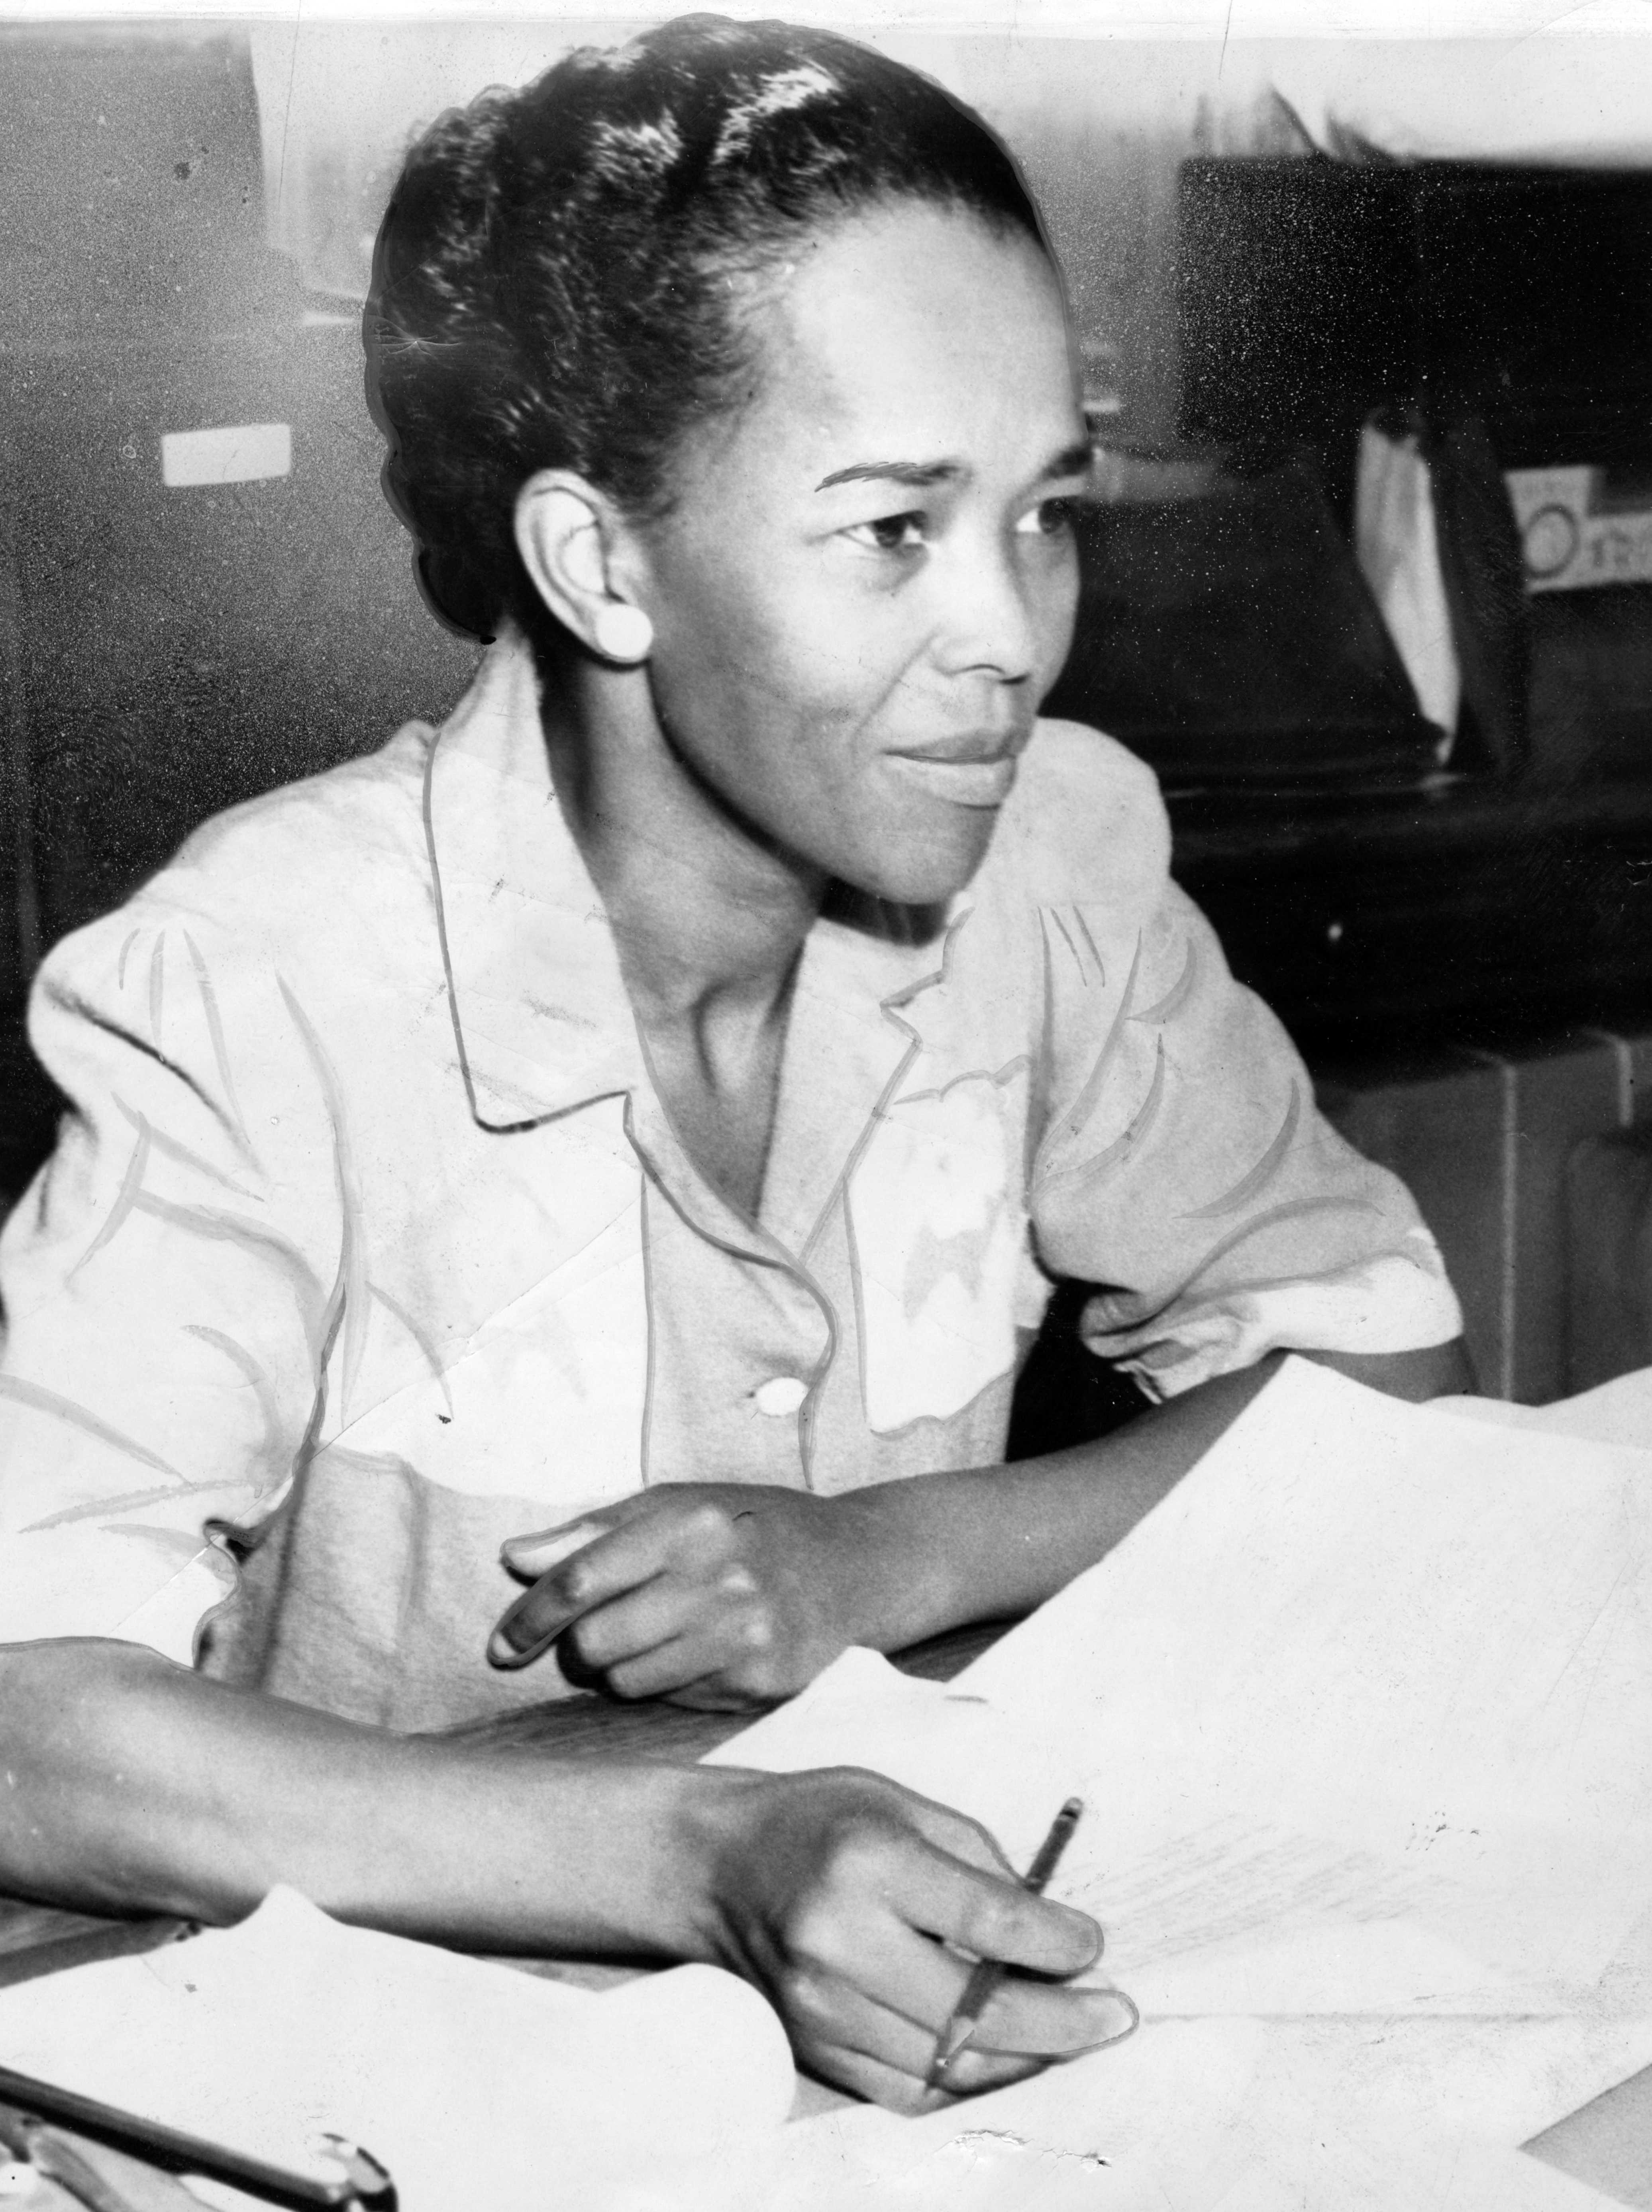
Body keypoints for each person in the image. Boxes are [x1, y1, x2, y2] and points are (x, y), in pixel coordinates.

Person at [0, 15, 1471, 2110]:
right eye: (891, 529)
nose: (1006, 640)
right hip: (381, 2065)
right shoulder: (260, 974)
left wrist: (892, 1555)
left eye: (1042, 511)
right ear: (603, 563)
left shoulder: (1047, 853)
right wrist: (703, 1860)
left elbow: (1376, 1358)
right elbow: (24, 1717)